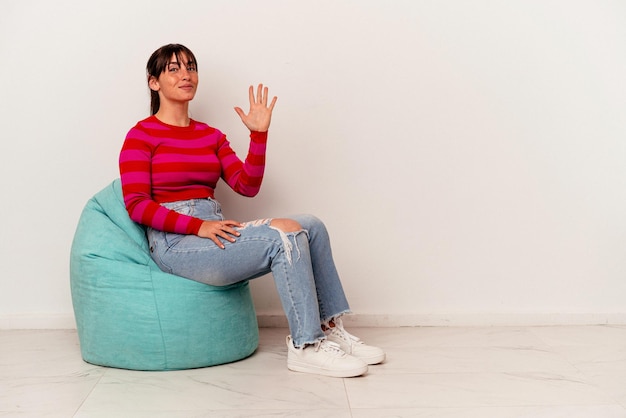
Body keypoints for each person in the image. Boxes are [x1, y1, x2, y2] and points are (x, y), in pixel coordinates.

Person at [119, 43, 385, 378]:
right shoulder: (140, 135)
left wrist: (258, 136)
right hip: (176, 242)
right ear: (153, 82)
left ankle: (330, 328)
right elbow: (137, 205)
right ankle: (306, 346)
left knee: (311, 226)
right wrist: (196, 227)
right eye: (173, 69)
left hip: (215, 229)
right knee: (281, 236)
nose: (185, 74)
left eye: (190, 66)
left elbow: (247, 185)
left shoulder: (210, 136)